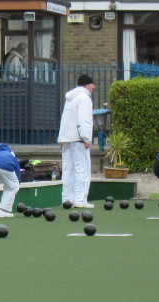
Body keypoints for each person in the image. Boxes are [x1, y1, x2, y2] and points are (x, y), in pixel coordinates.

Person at [57, 74, 96, 209]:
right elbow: (83, 119)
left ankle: (67, 199)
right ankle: (80, 199)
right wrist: (86, 138)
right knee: (82, 168)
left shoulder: (70, 98)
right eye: (92, 84)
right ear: (86, 85)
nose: (94, 87)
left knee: (68, 169)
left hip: (66, 138)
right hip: (78, 139)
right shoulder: (84, 98)